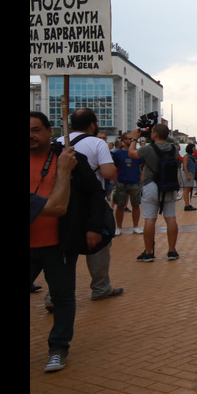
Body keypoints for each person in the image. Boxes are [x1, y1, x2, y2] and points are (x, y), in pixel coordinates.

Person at [30, 111, 81, 372]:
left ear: (51, 131)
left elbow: (89, 195)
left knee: (62, 297)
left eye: (36, 129)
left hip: (57, 243)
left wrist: (94, 229)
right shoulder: (65, 163)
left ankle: (58, 347)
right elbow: (57, 206)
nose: (31, 135)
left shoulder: (69, 158)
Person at [55, 108, 122, 302]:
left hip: (61, 201)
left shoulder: (58, 142)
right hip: (91, 202)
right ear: (92, 125)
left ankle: (55, 295)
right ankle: (100, 288)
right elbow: (108, 173)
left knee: (63, 249)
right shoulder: (97, 143)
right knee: (100, 244)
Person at [128, 123, 181, 261]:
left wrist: (134, 138)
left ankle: (149, 252)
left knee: (150, 219)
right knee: (171, 218)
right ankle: (172, 251)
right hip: (169, 186)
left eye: (152, 131)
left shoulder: (148, 149)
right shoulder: (174, 149)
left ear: (155, 134)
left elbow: (132, 154)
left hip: (151, 186)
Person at [112, 132, 144, 232]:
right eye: (128, 139)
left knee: (136, 205)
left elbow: (142, 166)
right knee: (120, 205)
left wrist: (141, 179)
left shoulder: (137, 153)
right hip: (121, 182)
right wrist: (115, 181)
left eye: (132, 139)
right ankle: (119, 227)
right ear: (123, 140)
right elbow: (113, 167)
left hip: (135, 182)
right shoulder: (117, 154)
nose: (130, 141)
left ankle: (135, 226)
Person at [181, 143, 197, 211]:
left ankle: (188, 204)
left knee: (188, 189)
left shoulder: (192, 156)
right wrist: (187, 174)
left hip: (191, 173)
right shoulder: (186, 156)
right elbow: (185, 166)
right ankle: (186, 205)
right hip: (188, 173)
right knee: (186, 190)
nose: (195, 149)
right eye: (194, 148)